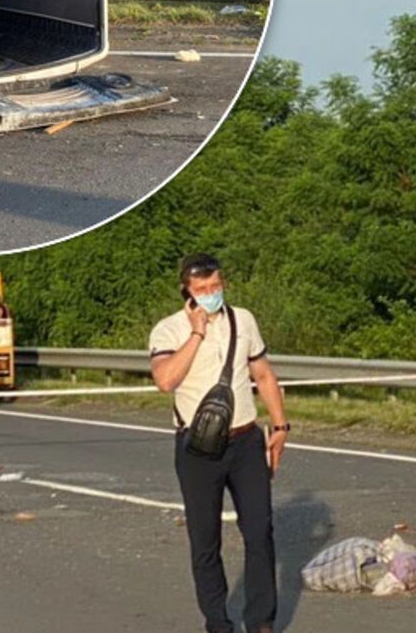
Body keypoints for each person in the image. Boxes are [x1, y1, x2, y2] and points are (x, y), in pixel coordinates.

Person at [151, 255, 288, 633]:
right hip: (197, 448)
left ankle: (261, 620)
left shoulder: (243, 320)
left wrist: (280, 425)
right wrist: (196, 333)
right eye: (202, 290)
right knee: (205, 538)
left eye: (215, 286)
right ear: (187, 292)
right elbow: (165, 380)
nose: (211, 294)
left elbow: (263, 373)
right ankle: (218, 622)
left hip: (245, 442)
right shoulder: (168, 329)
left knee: (260, 530)